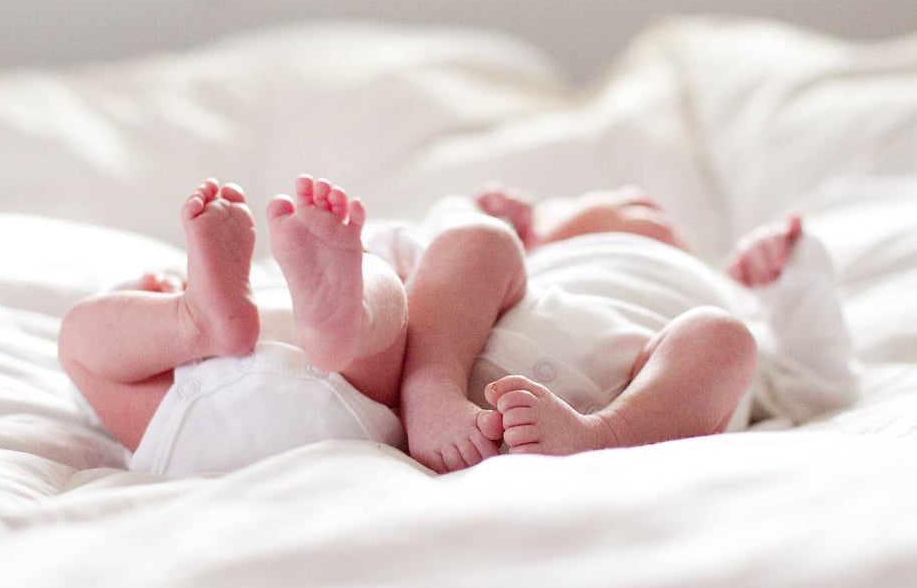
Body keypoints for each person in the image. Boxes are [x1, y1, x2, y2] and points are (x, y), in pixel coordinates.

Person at [390, 184, 859, 474]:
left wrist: (794, 274)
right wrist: (480, 211)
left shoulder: (726, 294)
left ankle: (599, 438)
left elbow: (819, 383)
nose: (648, 204)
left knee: (725, 338)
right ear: (542, 231)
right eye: (624, 202)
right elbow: (425, 257)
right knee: (476, 240)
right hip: (494, 338)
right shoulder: (531, 258)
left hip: (649, 397)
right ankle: (431, 390)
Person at [58, 176, 408, 476]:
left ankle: (198, 322)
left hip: (190, 434)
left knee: (77, 340)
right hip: (349, 411)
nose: (159, 280)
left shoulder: (281, 277)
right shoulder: (279, 279)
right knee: (384, 283)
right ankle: (353, 318)